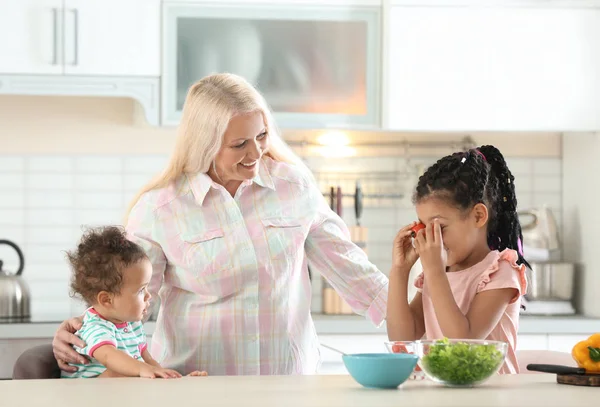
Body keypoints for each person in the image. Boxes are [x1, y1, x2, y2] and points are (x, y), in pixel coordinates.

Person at [51, 73, 389, 376]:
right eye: (239, 144)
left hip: (287, 386)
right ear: (205, 144)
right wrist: (81, 330)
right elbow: (125, 299)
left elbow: (353, 271)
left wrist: (422, 318)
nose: (255, 151)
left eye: (262, 135)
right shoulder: (160, 208)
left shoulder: (293, 187)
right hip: (195, 387)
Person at [386, 145, 529, 374]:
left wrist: (434, 272)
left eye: (440, 227)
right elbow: (402, 338)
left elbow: (463, 342)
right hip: (447, 393)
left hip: (493, 396)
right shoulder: (440, 271)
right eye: (425, 228)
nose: (433, 239)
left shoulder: (500, 271)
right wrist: (399, 271)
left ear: (478, 216)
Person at [60, 225, 207, 379]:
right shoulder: (94, 327)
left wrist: (170, 377)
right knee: (122, 371)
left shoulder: (132, 324)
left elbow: (148, 361)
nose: (148, 296)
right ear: (107, 300)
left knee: (139, 371)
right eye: (141, 290)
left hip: (116, 391)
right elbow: (109, 357)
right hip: (87, 393)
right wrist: (142, 369)